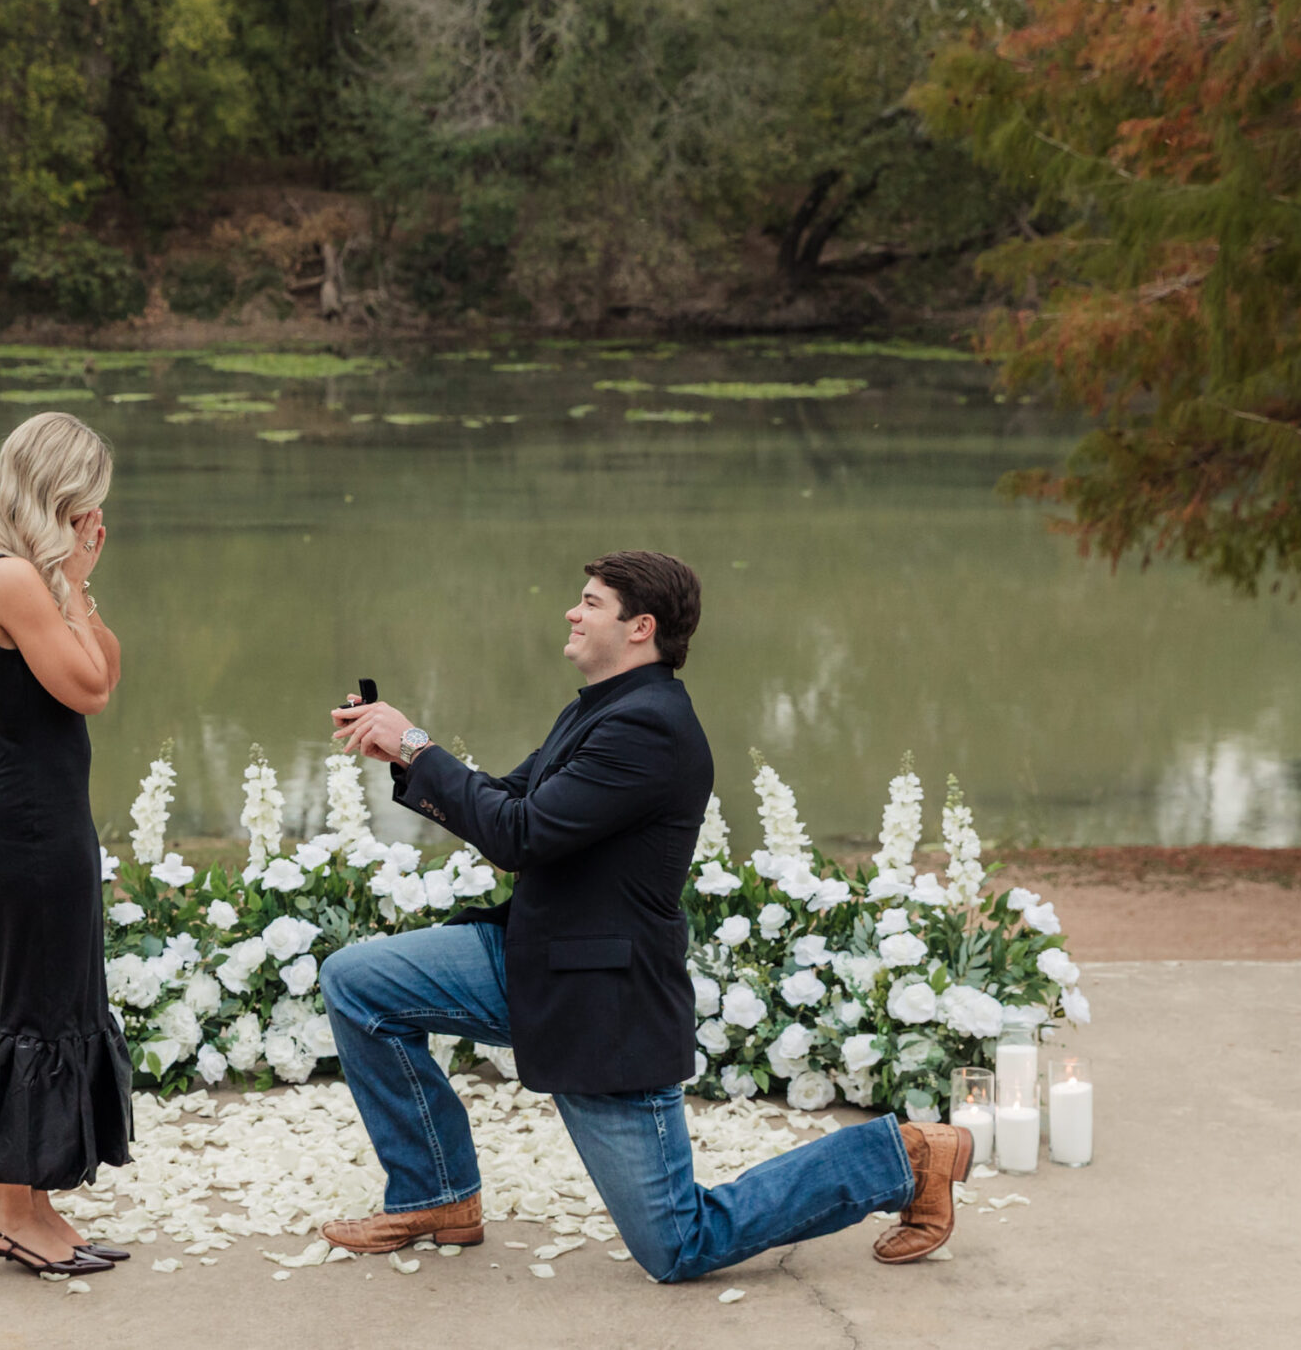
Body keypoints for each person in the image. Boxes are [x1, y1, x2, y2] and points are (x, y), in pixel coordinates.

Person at [322, 549, 972, 1281]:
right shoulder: (599, 708)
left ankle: (909, 1156)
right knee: (356, 981)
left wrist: (417, 742)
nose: (573, 611)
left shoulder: (650, 729)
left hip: (604, 1000)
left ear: (640, 627)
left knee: (678, 1244)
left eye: (591, 602)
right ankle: (436, 1193)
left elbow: (518, 835)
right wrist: (407, 755)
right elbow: (509, 801)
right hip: (537, 955)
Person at [0, 412, 135, 1280]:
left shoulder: (33, 578)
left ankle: (36, 1204)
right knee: (34, 1012)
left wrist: (81, 583)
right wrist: (70, 583)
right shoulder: (6, 578)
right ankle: (6, 1212)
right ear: (59, 493)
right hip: (33, 824)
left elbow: (106, 666)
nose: (94, 522)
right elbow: (88, 690)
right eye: (88, 505)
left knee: (62, 1003)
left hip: (53, 819)